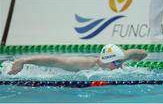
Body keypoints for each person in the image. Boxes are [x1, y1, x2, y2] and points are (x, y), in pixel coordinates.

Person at [8, 44, 147, 75]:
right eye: (116, 63)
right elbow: (53, 60)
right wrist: (24, 61)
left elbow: (135, 52)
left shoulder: (119, 59)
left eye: (121, 62)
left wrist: (142, 55)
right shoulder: (84, 64)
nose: (120, 66)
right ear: (104, 60)